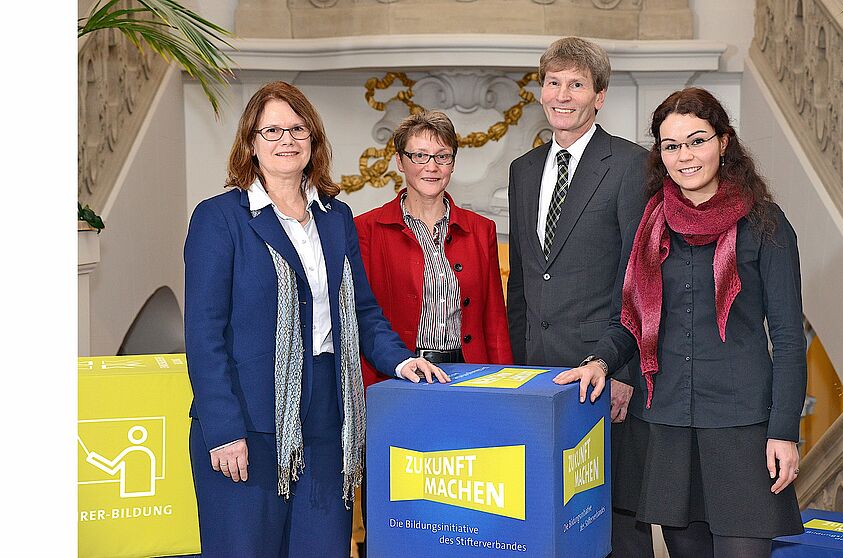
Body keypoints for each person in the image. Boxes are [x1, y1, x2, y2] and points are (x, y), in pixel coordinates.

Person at [183, 81, 447, 558]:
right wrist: (223, 431)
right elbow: (204, 337)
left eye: (298, 128)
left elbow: (362, 311)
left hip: (328, 424)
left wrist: (402, 362)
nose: (287, 139)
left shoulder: (335, 216)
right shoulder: (219, 218)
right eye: (273, 130)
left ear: (313, 140)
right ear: (251, 143)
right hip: (250, 426)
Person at [554, 87, 807, 558]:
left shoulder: (766, 224)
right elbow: (630, 320)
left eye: (697, 140)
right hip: (667, 427)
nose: (685, 156)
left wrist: (784, 430)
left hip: (742, 430)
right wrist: (599, 363)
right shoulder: (650, 222)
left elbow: (790, 339)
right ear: (660, 154)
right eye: (671, 146)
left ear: (724, 142)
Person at [506, 37, 654, 557]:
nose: (562, 95)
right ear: (540, 91)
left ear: (600, 96)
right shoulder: (523, 170)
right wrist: (518, 370)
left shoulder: (633, 165)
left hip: (604, 378)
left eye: (576, 84)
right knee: (545, 520)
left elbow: (640, 280)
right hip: (539, 381)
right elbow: (522, 281)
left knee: (613, 525)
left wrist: (624, 373)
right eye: (553, 82)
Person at [356, 109, 513, 380]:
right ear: (400, 162)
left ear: (452, 164)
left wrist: (505, 384)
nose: (432, 167)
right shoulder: (366, 229)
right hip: (397, 375)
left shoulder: (481, 230)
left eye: (442, 156)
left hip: (470, 373)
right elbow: (361, 317)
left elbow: (495, 321)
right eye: (419, 156)